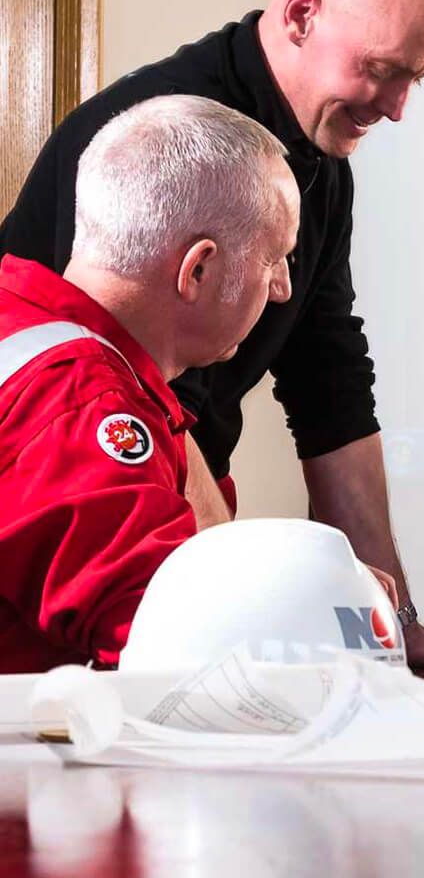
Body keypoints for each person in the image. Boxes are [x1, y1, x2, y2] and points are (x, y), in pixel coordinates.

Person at [0, 0, 424, 665]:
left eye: (417, 78)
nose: (397, 107)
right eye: (383, 69)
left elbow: (332, 389)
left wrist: (395, 627)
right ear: (302, 12)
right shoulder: (153, 143)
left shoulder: (322, 167)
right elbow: (177, 644)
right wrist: (266, 599)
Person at [0, 95, 300, 671]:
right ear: (199, 270)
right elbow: (180, 648)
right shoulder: (80, 401)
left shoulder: (27, 334)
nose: (283, 287)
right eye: (274, 258)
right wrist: (317, 595)